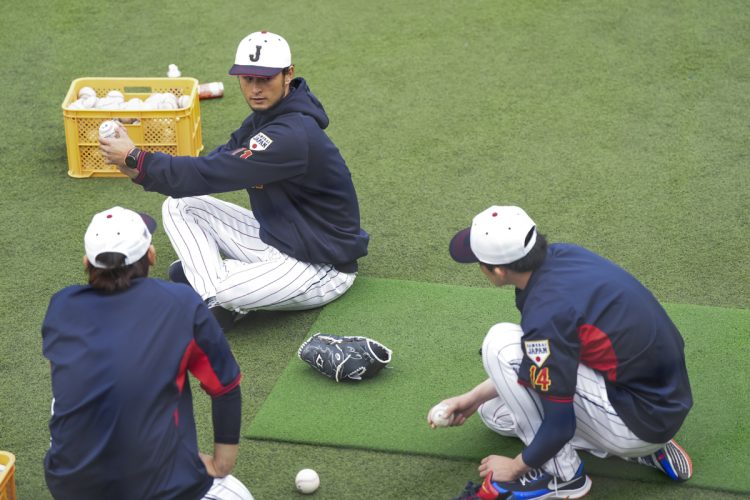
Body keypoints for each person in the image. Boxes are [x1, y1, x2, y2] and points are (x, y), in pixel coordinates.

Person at [98, 31, 369, 332]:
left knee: (225, 289)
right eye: (247, 79)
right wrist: (137, 169)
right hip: (276, 236)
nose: (255, 89)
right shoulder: (263, 118)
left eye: (265, 79)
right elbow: (211, 164)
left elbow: (214, 172)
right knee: (181, 206)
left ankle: (212, 288)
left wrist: (137, 157)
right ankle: (214, 290)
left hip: (319, 264)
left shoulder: (292, 135)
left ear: (288, 74)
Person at [438, 206, 693, 500]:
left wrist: (516, 466)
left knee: (500, 343)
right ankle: (638, 449)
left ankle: (563, 476)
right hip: (662, 398)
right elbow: (550, 360)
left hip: (638, 418)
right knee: (494, 414)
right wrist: (470, 399)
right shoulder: (565, 255)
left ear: (497, 270)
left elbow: (560, 425)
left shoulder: (547, 313)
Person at [42, 206, 253, 500]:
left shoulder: (61, 306)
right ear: (151, 256)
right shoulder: (181, 304)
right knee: (237, 495)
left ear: (86, 262)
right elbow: (225, 386)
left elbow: (62, 382)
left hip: (70, 484)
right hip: (158, 487)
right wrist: (221, 463)